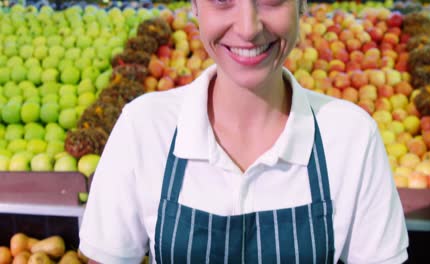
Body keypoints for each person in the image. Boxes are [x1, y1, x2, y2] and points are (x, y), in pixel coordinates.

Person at [79, 0, 409, 263]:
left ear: (302, 6)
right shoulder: (145, 127)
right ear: (195, 6)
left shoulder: (351, 136)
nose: (248, 28)